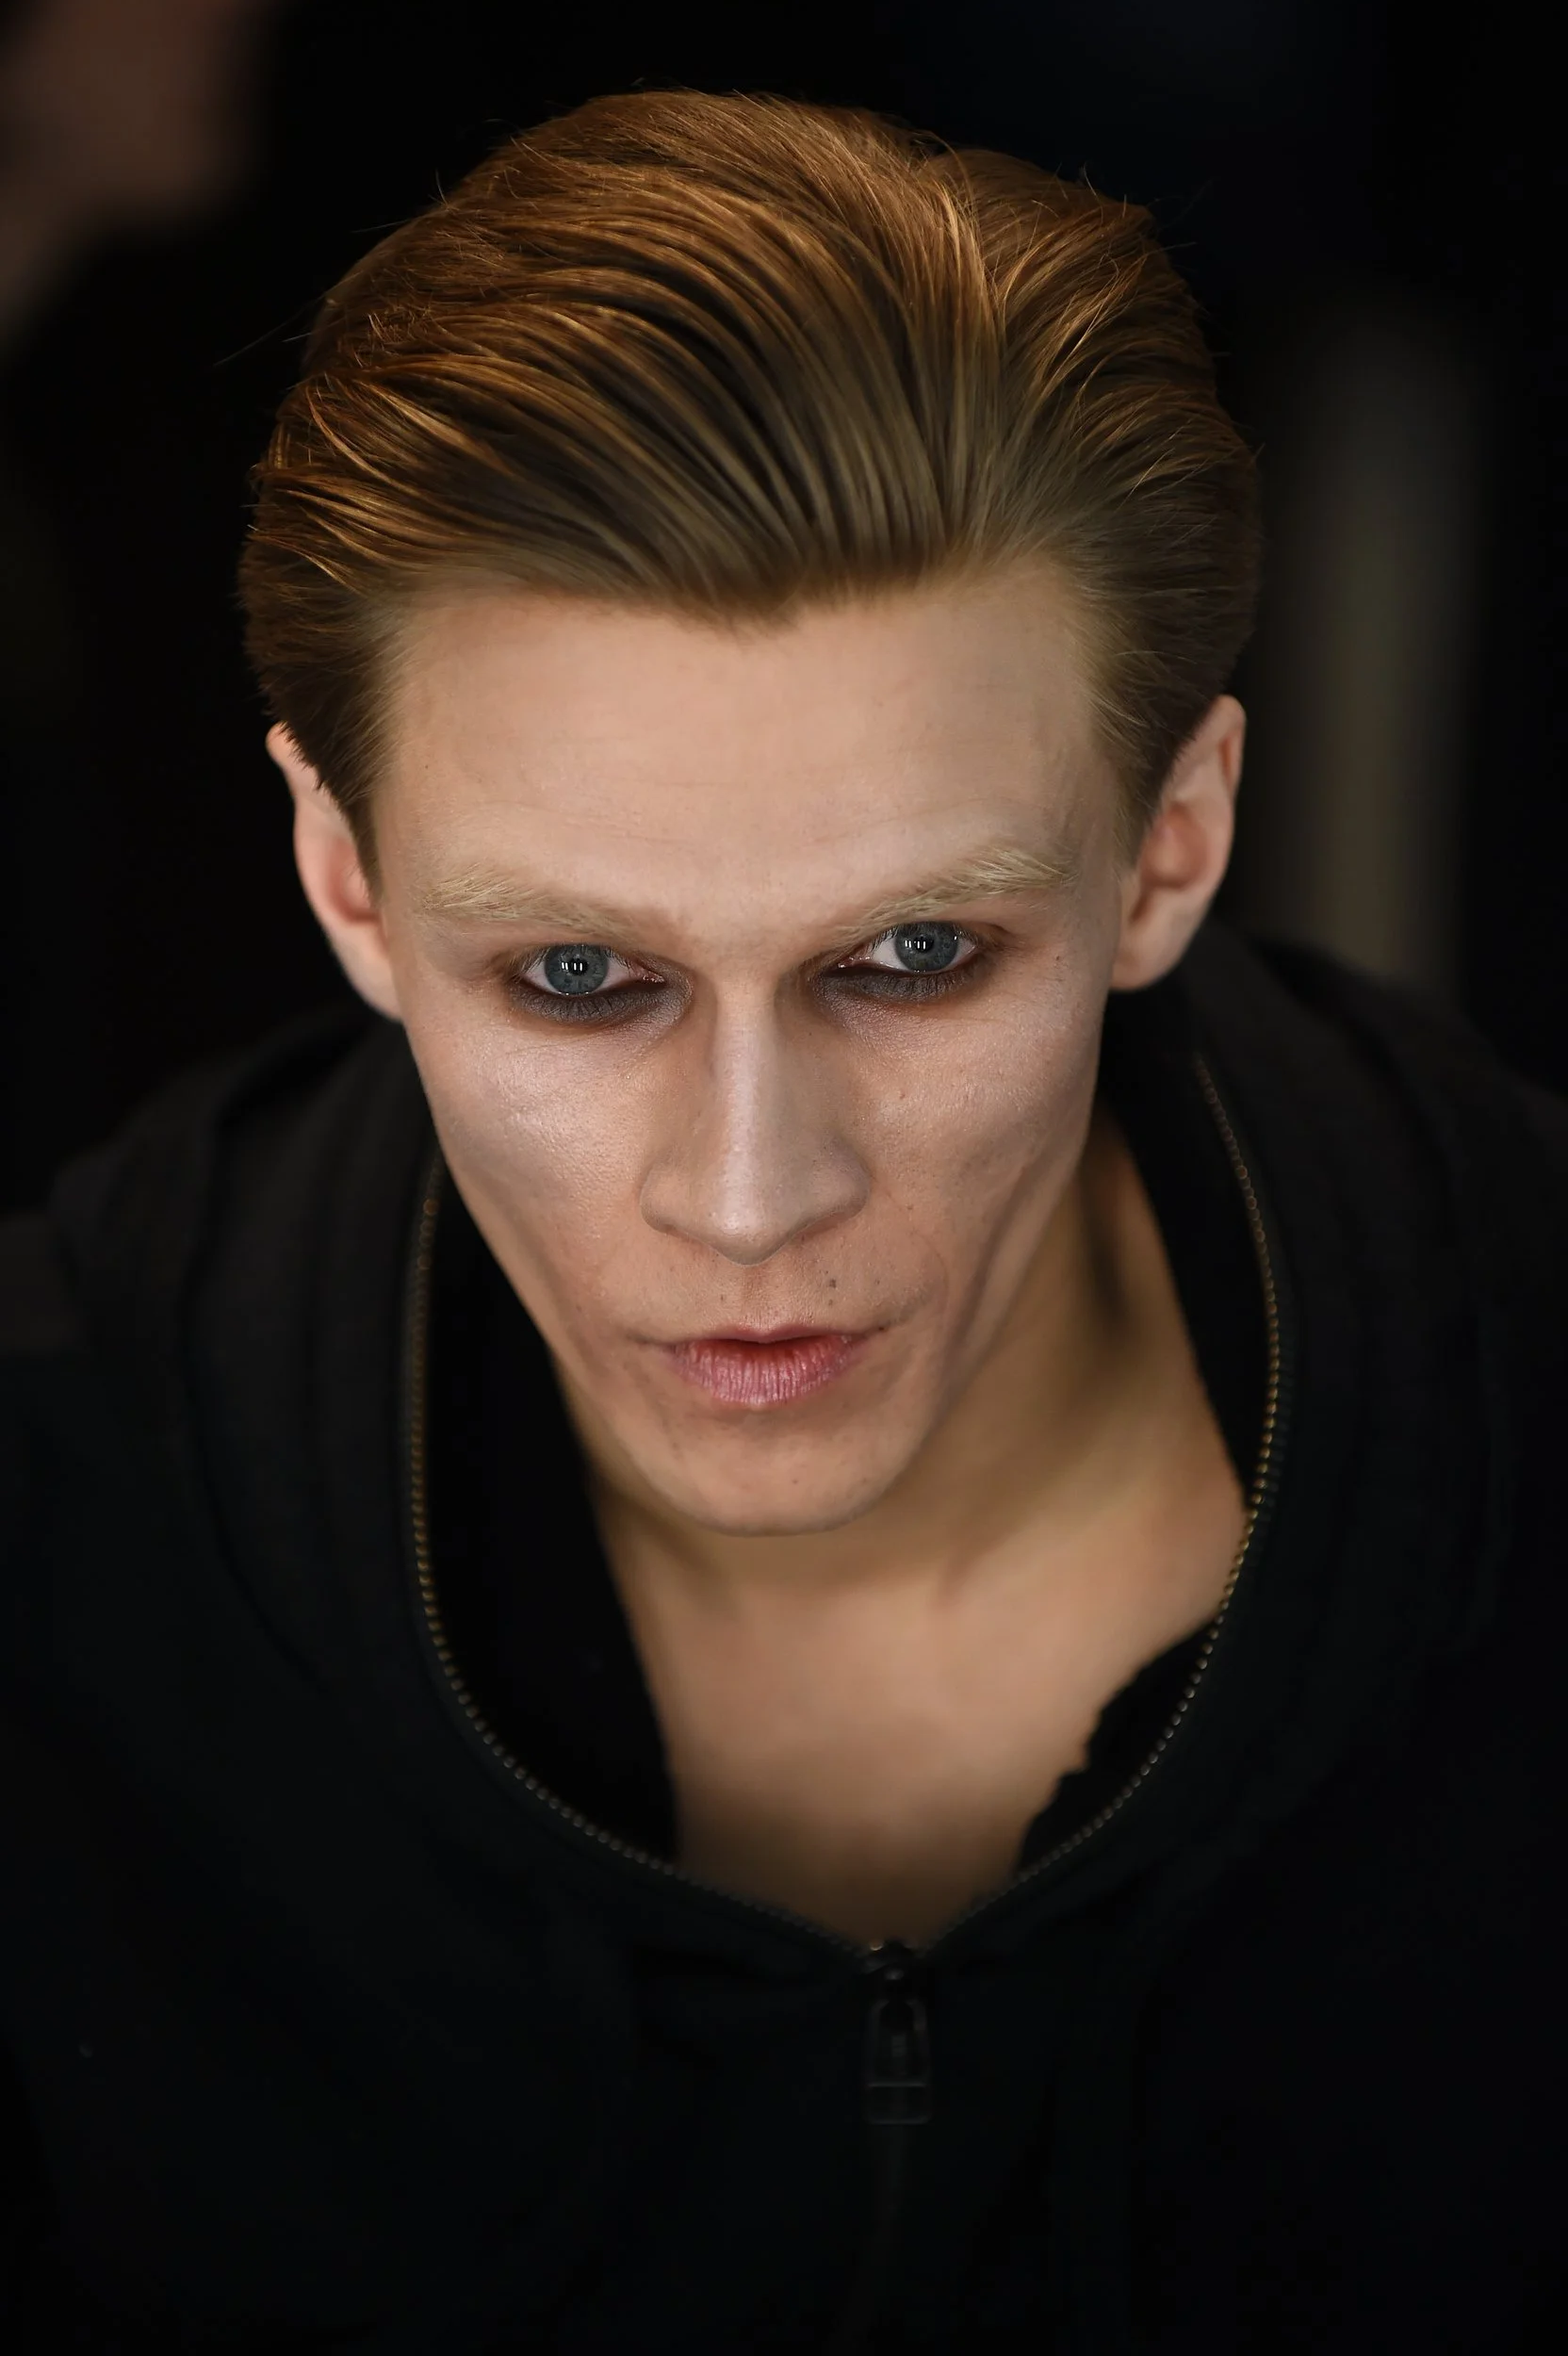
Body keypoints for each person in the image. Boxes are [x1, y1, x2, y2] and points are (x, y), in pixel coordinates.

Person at [1, 89, 1562, 2356]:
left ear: (1173, 847)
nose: (750, 1195)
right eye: (576, 978)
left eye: (916, 956)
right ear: (343, 879)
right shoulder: (51, 1560)